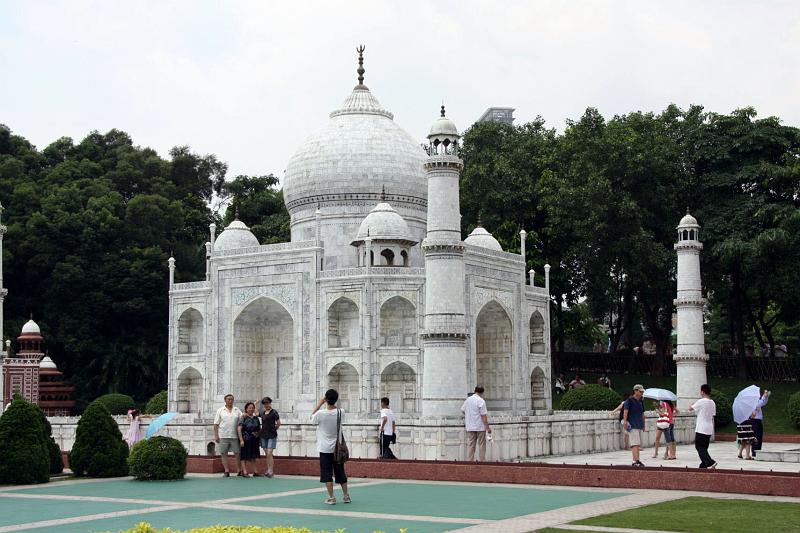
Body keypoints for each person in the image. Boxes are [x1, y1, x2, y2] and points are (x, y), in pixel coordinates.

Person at [311, 389, 351, 505]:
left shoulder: (320, 414)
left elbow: (312, 419)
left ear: (326, 399)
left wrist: (319, 404)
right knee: (340, 472)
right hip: (337, 448)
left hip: (324, 448)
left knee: (327, 473)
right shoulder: (340, 412)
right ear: (336, 399)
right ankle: (346, 496)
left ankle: (331, 497)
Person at [688, 384, 717, 469]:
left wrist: (692, 404)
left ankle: (711, 462)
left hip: (701, 427)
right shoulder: (712, 402)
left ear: (702, 392)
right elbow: (713, 414)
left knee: (699, 446)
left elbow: (690, 409)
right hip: (709, 427)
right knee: (704, 447)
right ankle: (703, 466)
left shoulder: (701, 401)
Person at [213, 393, 243, 477]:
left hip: (234, 435)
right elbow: (216, 424)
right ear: (225, 400)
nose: (230, 401)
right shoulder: (220, 410)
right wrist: (216, 435)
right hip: (223, 435)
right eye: (228, 399)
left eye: (232, 399)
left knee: (237, 453)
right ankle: (226, 471)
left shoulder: (237, 410)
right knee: (223, 453)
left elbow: (242, 419)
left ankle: (239, 470)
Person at [461, 386, 492, 461]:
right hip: (480, 426)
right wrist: (488, 428)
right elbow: (483, 416)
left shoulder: (468, 400)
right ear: (482, 392)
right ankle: (482, 461)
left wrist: (469, 416)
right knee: (481, 445)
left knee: (471, 445)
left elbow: (462, 410)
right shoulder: (481, 401)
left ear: (475, 391)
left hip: (470, 426)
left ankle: (470, 461)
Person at [623, 384, 646, 467]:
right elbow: (626, 411)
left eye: (642, 391)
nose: (642, 393)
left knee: (638, 444)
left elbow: (642, 413)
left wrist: (644, 424)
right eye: (640, 391)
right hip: (632, 425)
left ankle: (636, 460)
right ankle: (636, 461)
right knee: (635, 444)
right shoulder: (629, 400)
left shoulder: (641, 401)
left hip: (639, 424)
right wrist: (625, 422)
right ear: (635, 391)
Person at [237, 401, 261, 477]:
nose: (251, 409)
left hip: (254, 439)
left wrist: (258, 436)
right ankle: (244, 472)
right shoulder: (243, 417)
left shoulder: (255, 418)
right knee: (244, 455)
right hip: (245, 438)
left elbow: (258, 428)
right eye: (249, 408)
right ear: (246, 409)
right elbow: (239, 428)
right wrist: (241, 440)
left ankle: (255, 471)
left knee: (253, 455)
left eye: (252, 408)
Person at [259, 396, 281, 477]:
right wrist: (255, 403)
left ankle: (271, 471)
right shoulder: (263, 413)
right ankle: (268, 469)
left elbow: (278, 423)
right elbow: (256, 413)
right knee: (267, 453)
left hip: (272, 435)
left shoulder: (274, 412)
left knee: (269, 453)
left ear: (270, 403)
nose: (266, 405)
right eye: (265, 404)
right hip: (263, 435)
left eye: (267, 403)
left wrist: (274, 429)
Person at [750, 389, 770, 458]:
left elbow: (763, 403)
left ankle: (758, 451)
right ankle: (754, 452)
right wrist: (764, 396)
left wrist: (766, 397)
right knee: (756, 437)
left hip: (758, 421)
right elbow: (759, 404)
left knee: (759, 436)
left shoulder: (757, 401)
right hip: (754, 421)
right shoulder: (752, 403)